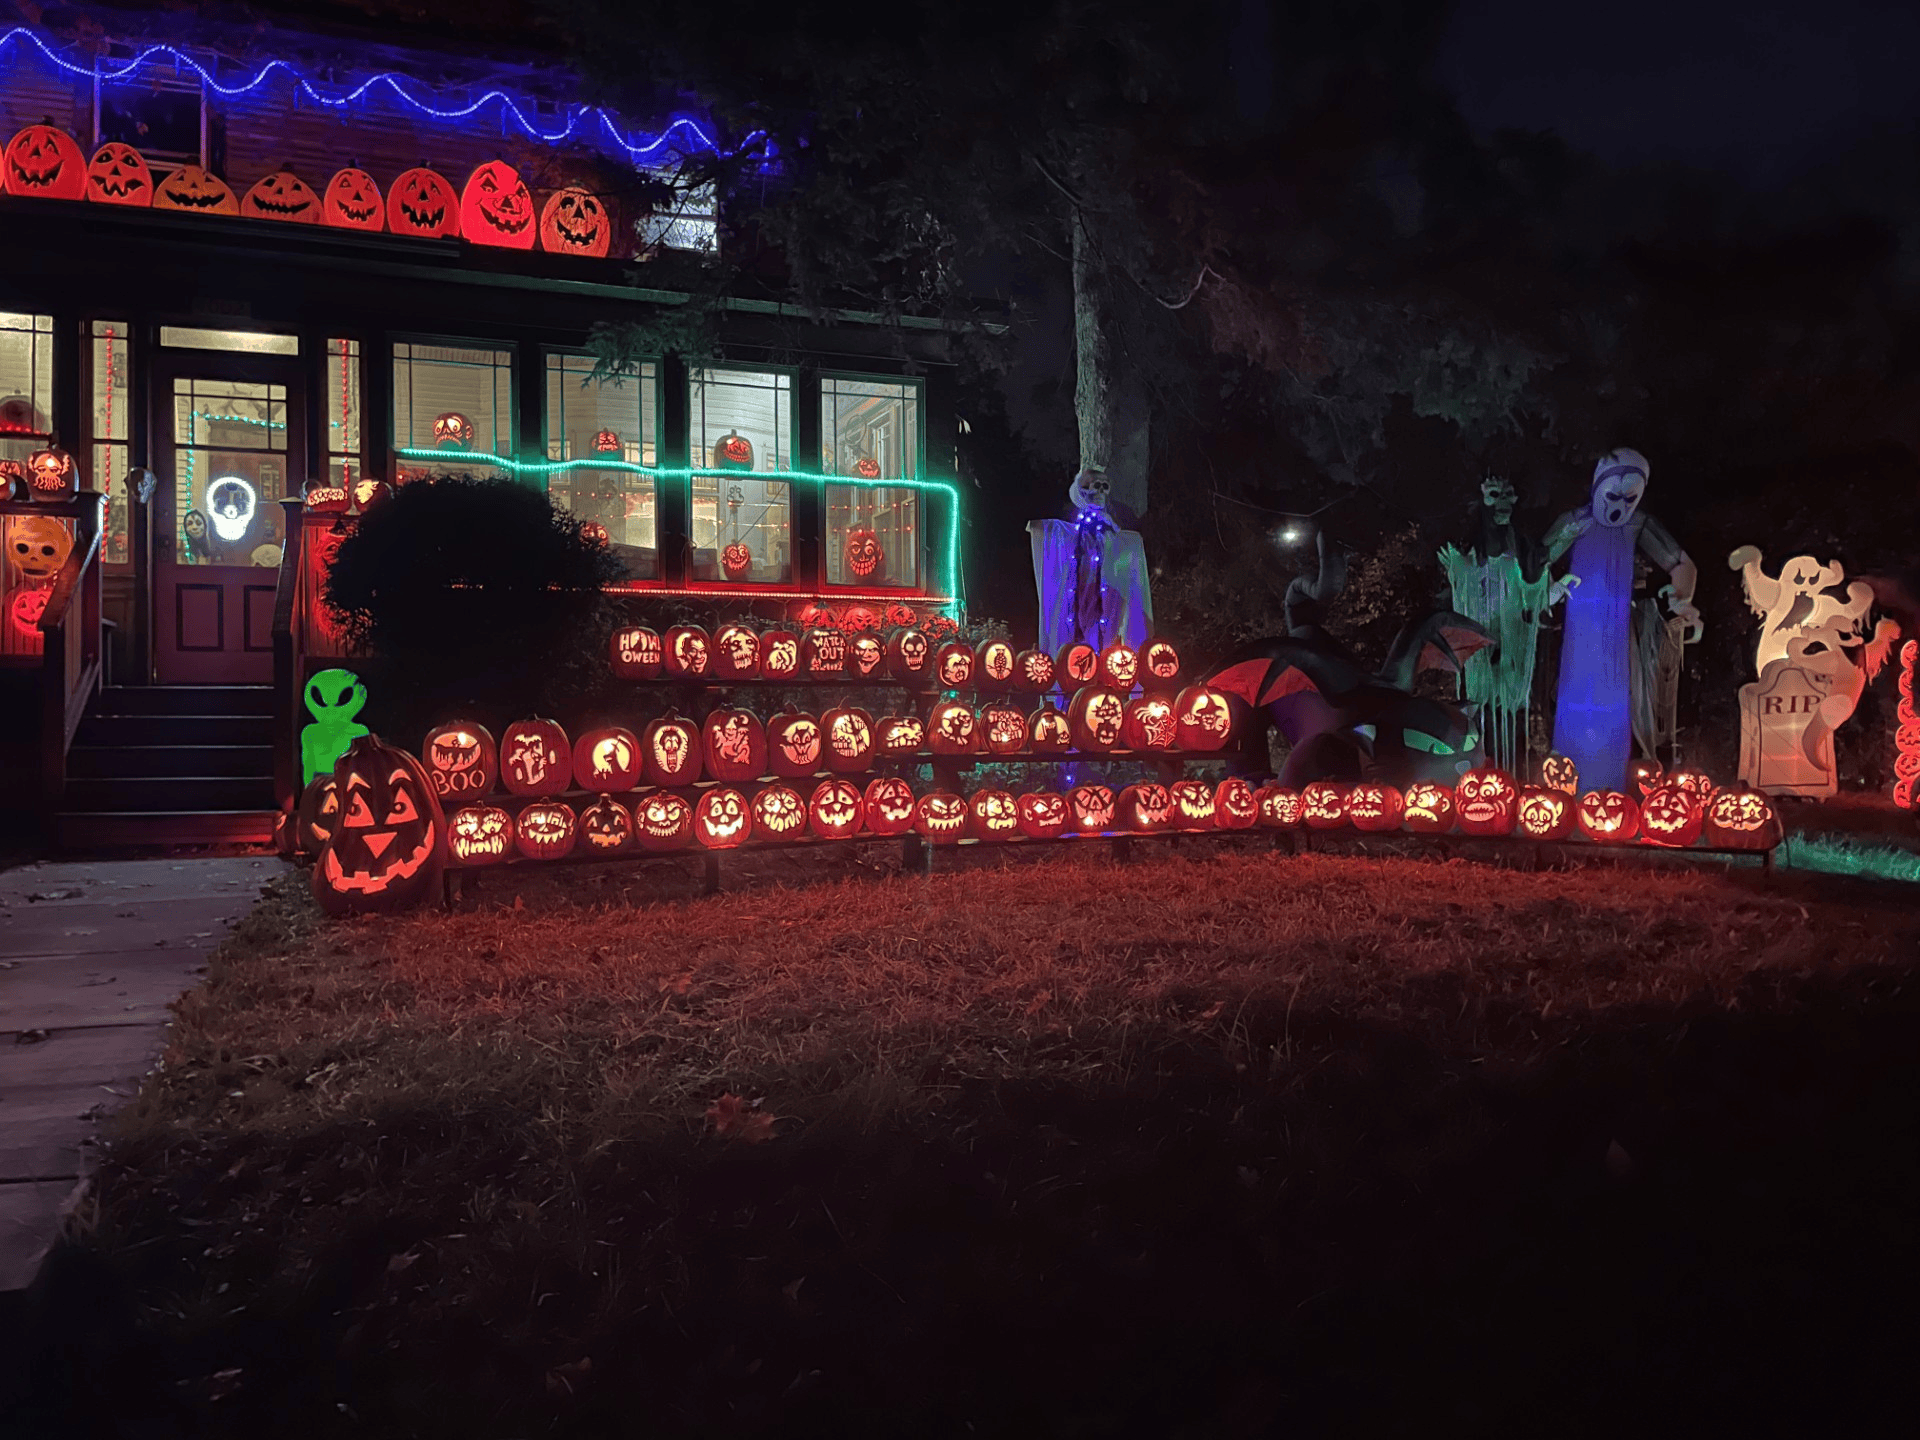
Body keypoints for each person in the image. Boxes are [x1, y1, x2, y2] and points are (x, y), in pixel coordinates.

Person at [1544, 449, 1701, 791]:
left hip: (1617, 629)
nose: (1619, 506)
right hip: (1580, 630)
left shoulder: (1638, 524)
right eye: (1612, 496)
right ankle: (1570, 782)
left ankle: (1609, 783)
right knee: (1576, 697)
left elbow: (1682, 564)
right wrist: (1549, 590)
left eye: (1630, 498)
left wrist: (1681, 599)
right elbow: (1536, 563)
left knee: (1615, 702)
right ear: (1597, 487)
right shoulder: (1575, 522)